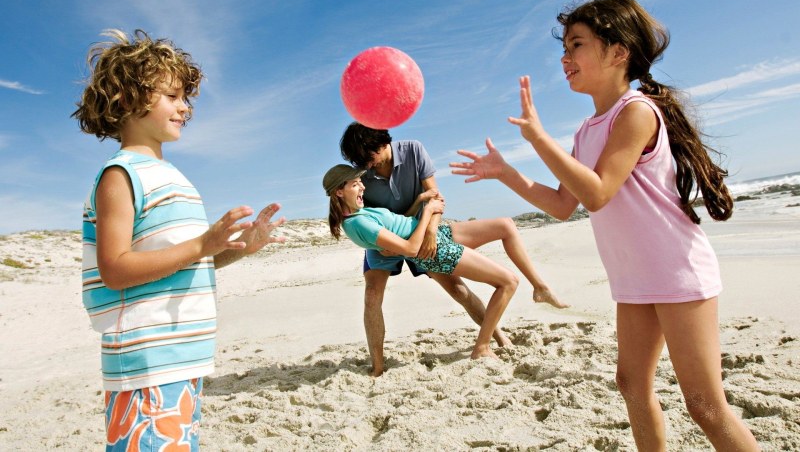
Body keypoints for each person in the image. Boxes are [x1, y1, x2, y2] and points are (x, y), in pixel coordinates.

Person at [451, 0, 759, 450]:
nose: (565, 57)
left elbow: (598, 191)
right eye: (566, 46)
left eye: (577, 44)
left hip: (677, 272)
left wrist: (537, 137)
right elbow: (562, 204)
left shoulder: (636, 112)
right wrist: (507, 173)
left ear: (618, 53)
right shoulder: (586, 130)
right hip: (635, 279)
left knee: (704, 406)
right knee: (632, 387)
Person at [73, 29, 286, 451]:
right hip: (147, 362)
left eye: (184, 98)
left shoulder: (172, 176)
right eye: (172, 96)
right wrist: (202, 245)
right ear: (127, 100)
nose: (184, 107)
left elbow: (182, 260)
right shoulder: (121, 175)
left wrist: (231, 248)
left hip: (182, 355)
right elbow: (115, 268)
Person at [339, 123, 565, 376]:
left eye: (369, 158)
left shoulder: (413, 150)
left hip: (424, 227)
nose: (367, 166)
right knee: (371, 295)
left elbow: (435, 196)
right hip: (389, 238)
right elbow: (367, 218)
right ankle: (377, 368)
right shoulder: (363, 172)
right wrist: (391, 243)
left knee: (458, 289)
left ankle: (498, 336)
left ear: (381, 144)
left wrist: (431, 233)